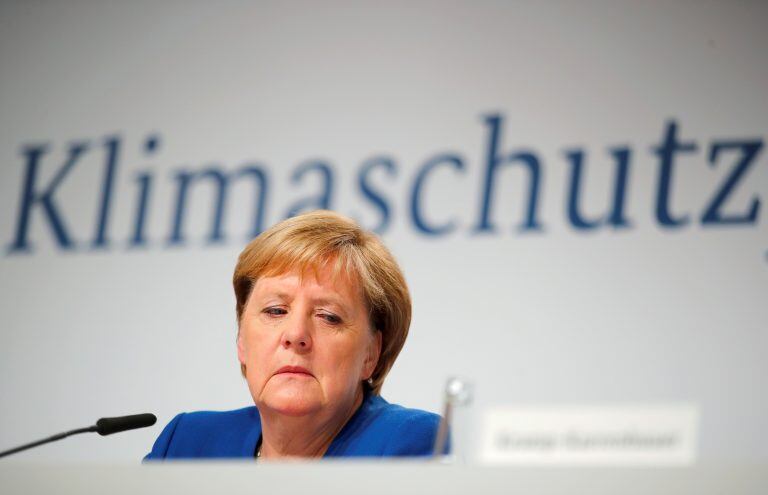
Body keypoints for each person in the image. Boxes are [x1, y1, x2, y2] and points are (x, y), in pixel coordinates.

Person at [145, 210, 441, 459]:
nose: (296, 334)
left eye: (328, 317)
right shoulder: (186, 445)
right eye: (275, 311)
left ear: (371, 354)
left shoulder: (411, 444)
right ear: (241, 341)